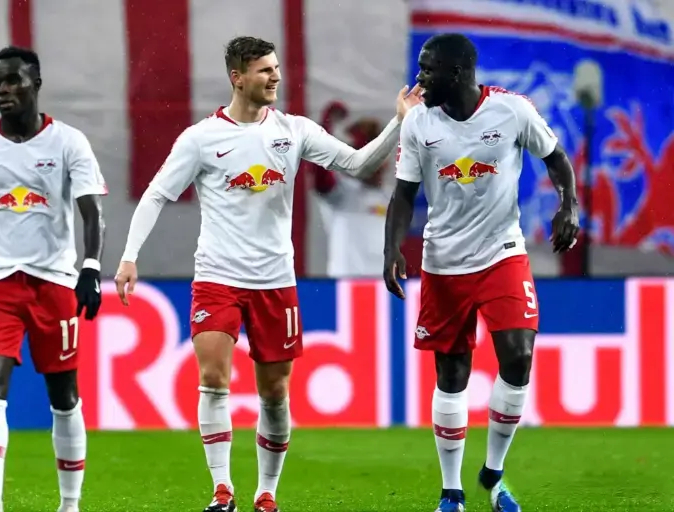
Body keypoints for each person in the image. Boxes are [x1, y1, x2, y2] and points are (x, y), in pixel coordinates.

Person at [113, 36, 420, 512]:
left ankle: (266, 493)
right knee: (213, 377)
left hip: (275, 281)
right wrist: (130, 256)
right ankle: (222, 490)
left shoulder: (294, 131)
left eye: (275, 68)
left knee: (274, 392)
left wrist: (399, 123)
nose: (275, 76)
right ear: (237, 78)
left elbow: (358, 165)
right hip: (217, 276)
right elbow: (156, 194)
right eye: (264, 70)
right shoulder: (201, 138)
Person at [383, 34, 579, 512]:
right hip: (444, 261)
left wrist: (568, 205)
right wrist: (391, 249)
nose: (419, 79)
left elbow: (556, 159)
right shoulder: (418, 124)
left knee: (518, 355)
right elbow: (404, 194)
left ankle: (493, 470)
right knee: (452, 373)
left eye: (428, 70)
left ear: (457, 73)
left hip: (502, 253)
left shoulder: (513, 110)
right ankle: (452, 492)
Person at [0, 46, 107, 512]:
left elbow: (92, 212)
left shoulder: (69, 143)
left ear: (36, 84)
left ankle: (69, 504)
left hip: (53, 282)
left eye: (12, 80)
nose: (3, 90)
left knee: (63, 395)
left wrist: (91, 267)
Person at [310, 113, 394, 278]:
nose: (377, 164)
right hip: (346, 284)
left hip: (382, 284)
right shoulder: (343, 192)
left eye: (380, 155)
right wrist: (325, 127)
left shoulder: (390, 195)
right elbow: (321, 179)